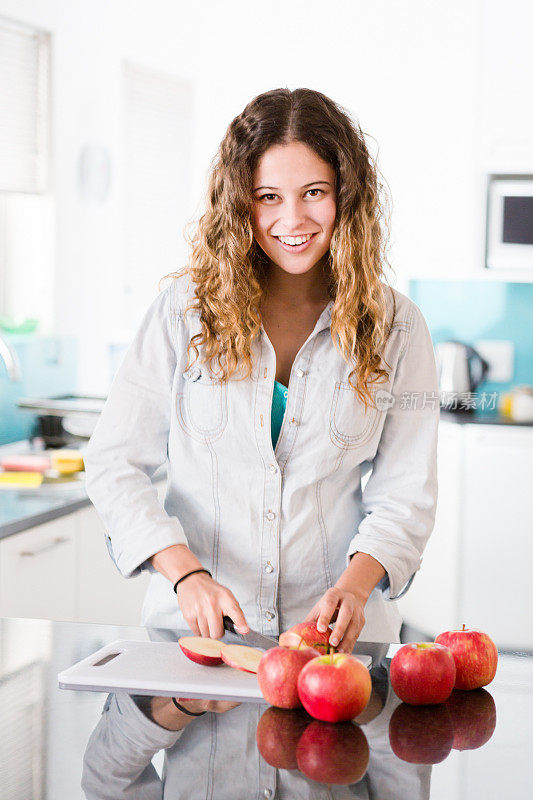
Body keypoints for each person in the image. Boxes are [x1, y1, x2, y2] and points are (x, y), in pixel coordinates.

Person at [84, 87, 439, 658]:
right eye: (267, 196)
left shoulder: (398, 328)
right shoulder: (184, 313)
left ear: (348, 195)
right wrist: (185, 575)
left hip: (339, 649)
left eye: (314, 193)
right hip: (194, 639)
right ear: (239, 204)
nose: (291, 220)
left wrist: (355, 587)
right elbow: (114, 463)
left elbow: (406, 495)